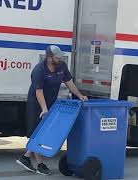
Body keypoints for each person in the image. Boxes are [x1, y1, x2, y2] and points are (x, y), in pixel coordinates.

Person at [16, 45, 88, 175]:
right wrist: (44, 109)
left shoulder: (62, 66)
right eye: (57, 57)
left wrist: (79, 95)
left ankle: (25, 157)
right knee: (38, 133)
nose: (60, 59)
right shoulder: (39, 70)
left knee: (43, 132)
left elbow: (69, 82)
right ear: (49, 58)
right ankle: (40, 165)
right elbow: (38, 91)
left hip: (50, 103)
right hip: (37, 103)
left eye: (60, 56)